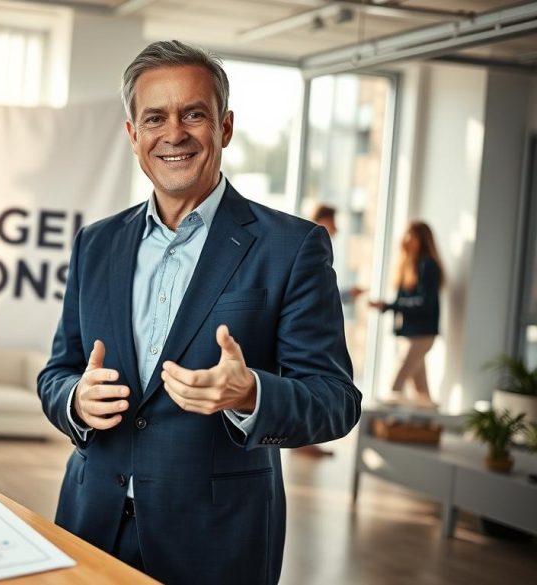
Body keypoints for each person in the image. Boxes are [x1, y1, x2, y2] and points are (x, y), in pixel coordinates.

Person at [37, 41, 361, 585]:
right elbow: (56, 372)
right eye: (155, 118)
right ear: (133, 134)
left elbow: (336, 401)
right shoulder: (96, 243)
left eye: (194, 114)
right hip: (90, 523)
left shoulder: (292, 246)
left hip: (217, 541)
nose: (175, 133)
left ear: (225, 127)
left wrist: (252, 393)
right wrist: (75, 398)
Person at [295, 204, 364, 459]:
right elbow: (319, 291)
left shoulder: (301, 237)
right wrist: (347, 294)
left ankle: (305, 441)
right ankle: (304, 442)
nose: (337, 229)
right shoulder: (313, 239)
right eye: (334, 222)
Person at [368, 221, 444, 408]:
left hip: (420, 335)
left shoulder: (427, 265)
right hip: (412, 334)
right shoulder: (411, 264)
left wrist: (389, 305)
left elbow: (425, 303)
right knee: (422, 393)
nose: (406, 238)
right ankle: (428, 428)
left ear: (422, 239)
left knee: (395, 386)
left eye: (411, 234)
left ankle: (386, 430)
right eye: (406, 234)